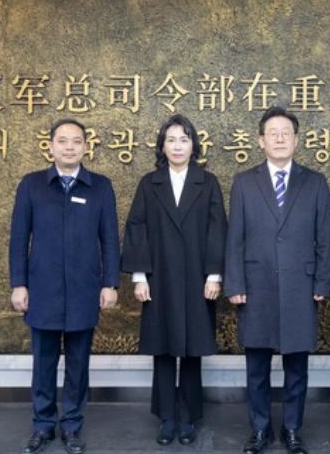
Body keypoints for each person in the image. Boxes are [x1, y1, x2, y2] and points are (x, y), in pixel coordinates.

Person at [224, 106, 330, 454]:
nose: (280, 138)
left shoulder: (315, 182)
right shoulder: (244, 182)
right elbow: (235, 238)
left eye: (286, 132)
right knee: (256, 366)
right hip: (255, 287)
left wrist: (322, 283)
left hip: (301, 288)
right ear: (261, 141)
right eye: (273, 132)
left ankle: (291, 429)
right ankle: (259, 430)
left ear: (297, 140)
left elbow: (326, 238)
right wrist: (235, 284)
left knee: (297, 367)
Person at [9, 118, 120, 454]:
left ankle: (72, 426)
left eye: (76, 141)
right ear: (51, 146)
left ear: (86, 146)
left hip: (84, 291)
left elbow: (110, 240)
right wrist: (19, 284)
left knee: (78, 364)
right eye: (62, 141)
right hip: (42, 290)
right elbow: (19, 239)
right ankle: (42, 426)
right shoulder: (32, 185)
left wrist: (110, 283)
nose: (69, 147)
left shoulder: (100, 187)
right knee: (43, 363)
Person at [121, 114, 227, 446]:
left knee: (192, 350)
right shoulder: (149, 183)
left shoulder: (207, 182)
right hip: (160, 278)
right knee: (163, 350)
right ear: (162, 146)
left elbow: (217, 229)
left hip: (197, 278)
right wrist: (140, 277)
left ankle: (189, 417)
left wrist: (214, 275)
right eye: (171, 140)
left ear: (194, 145)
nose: (178, 146)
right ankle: (167, 417)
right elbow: (137, 228)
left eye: (184, 139)